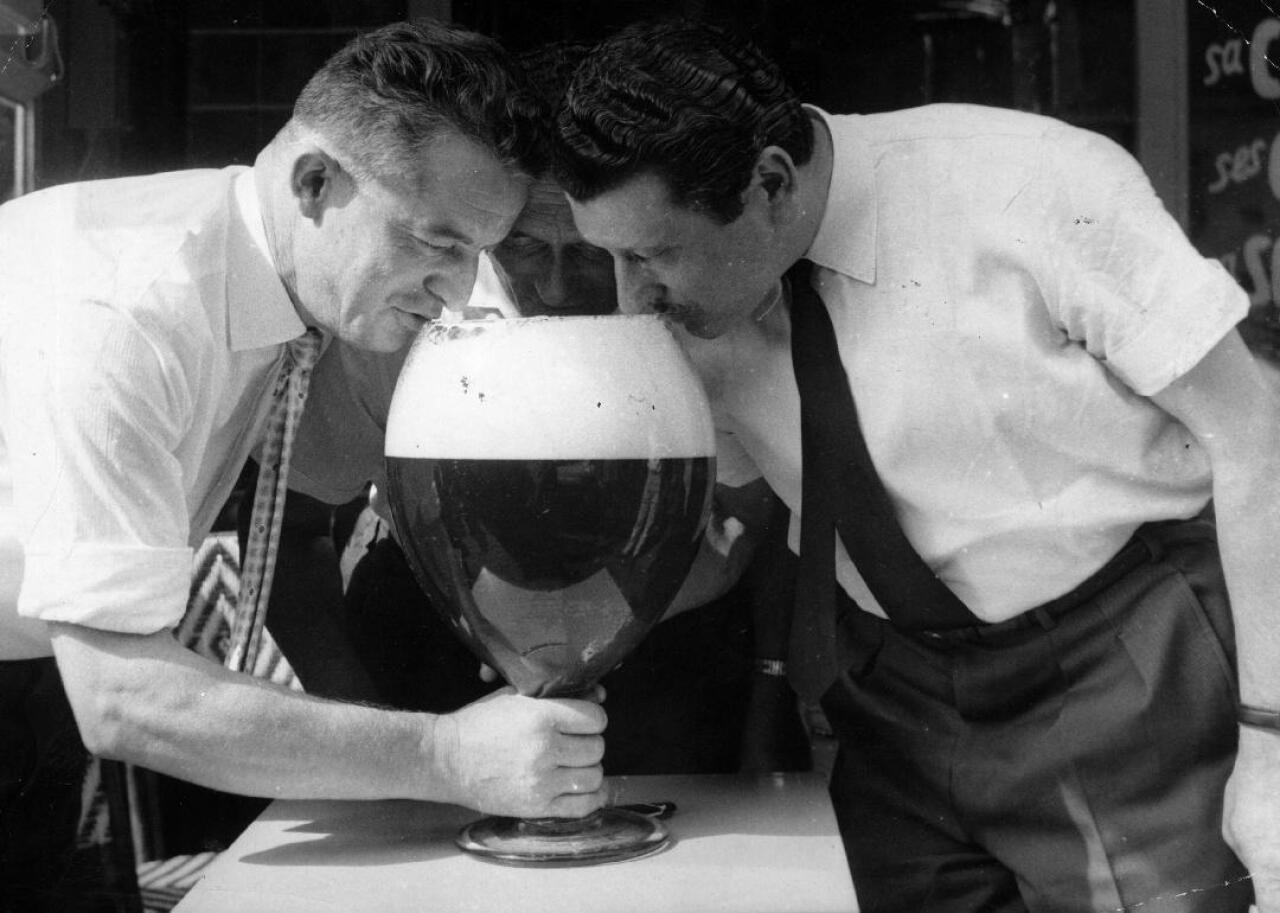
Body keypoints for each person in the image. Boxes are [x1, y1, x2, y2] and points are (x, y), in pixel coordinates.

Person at [552, 17, 1280, 913]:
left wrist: (1273, 745)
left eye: (651, 254)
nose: (633, 299)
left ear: (770, 184)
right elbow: (732, 526)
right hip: (895, 704)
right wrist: (557, 638)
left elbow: (1258, 436)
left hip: (1128, 673)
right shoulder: (697, 310)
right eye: (609, 257)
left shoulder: (1026, 183)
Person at [0, 20, 609, 912]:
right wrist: (445, 757)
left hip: (39, 667)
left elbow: (311, 491)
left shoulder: (271, 278)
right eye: (437, 244)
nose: (456, 290)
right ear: (314, 180)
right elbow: (126, 696)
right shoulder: (129, 308)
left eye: (479, 251)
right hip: (89, 678)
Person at [281, 40, 812, 778]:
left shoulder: (704, 303)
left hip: (668, 647)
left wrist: (761, 689)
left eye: (593, 252)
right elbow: (287, 531)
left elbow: (762, 520)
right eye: (526, 246)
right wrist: (364, 742)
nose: (559, 284)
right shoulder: (402, 321)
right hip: (438, 646)